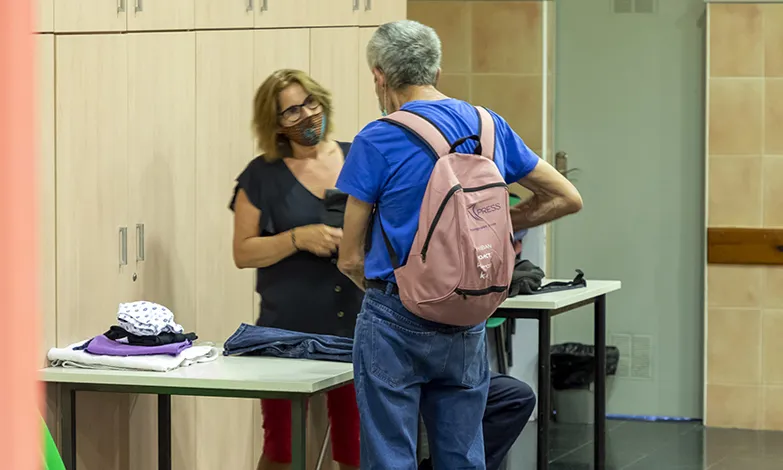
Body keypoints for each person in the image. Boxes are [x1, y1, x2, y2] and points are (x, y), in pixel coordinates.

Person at [337, 20, 583, 470]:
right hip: (467, 314)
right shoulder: (489, 126)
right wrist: (495, 224)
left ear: (379, 76)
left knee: (391, 457)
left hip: (395, 316)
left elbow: (350, 256)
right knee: (463, 457)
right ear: (437, 70)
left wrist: (394, 294)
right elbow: (566, 197)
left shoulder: (377, 138)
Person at [230, 69, 360, 470]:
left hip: (357, 328)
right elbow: (243, 252)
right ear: (276, 125)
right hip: (285, 334)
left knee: (356, 450)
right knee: (282, 452)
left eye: (310, 103)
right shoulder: (260, 176)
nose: (306, 115)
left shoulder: (359, 158)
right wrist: (296, 238)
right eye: (291, 111)